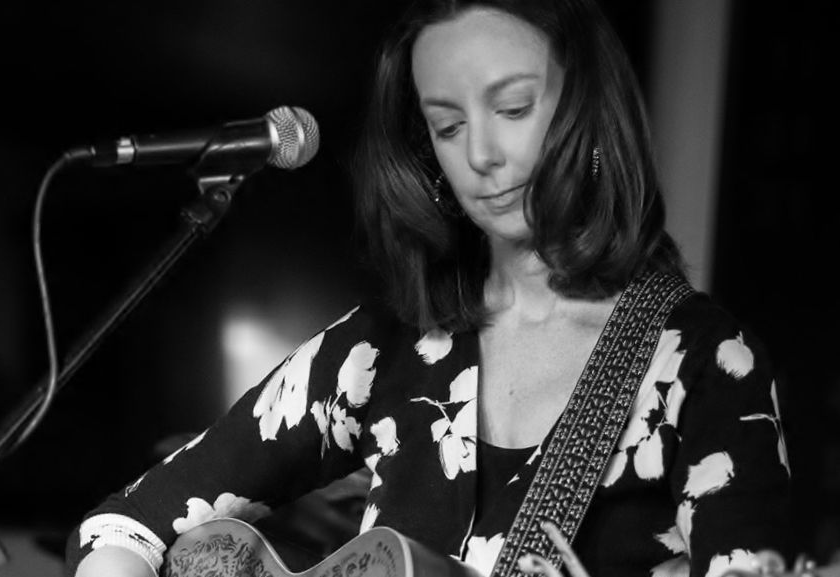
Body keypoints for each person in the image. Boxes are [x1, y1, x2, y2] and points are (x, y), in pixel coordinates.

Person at [66, 1, 792, 576]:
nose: (481, 154)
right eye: (447, 126)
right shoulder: (384, 345)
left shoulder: (706, 364)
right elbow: (126, 525)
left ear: (591, 109)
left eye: (513, 109)